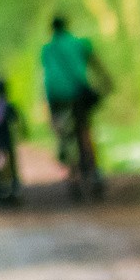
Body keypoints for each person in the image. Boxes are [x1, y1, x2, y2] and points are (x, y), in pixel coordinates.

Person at [40, 15, 111, 199]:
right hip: (78, 94)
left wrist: (46, 106)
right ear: (67, 26)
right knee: (84, 130)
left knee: (65, 134)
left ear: (52, 29)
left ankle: (73, 174)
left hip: (57, 98)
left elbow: (45, 79)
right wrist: (106, 82)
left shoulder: (47, 50)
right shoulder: (79, 43)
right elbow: (96, 64)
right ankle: (94, 172)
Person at [0, 79, 26, 206]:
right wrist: (23, 133)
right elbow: (20, 122)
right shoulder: (9, 107)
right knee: (12, 166)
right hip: (7, 141)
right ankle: (14, 189)